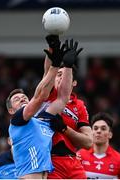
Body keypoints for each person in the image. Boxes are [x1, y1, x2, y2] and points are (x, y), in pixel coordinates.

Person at [7, 40, 77, 179]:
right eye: (16, 99)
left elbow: (63, 98)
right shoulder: (17, 121)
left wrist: (68, 67)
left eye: (24, 97)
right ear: (10, 111)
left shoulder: (43, 119)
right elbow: (40, 97)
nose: (22, 99)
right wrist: (55, 66)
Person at [43, 35, 93, 179]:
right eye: (57, 75)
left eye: (63, 75)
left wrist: (65, 129)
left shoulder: (80, 106)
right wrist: (53, 49)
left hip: (73, 162)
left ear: (74, 82)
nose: (59, 78)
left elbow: (88, 142)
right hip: (51, 160)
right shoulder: (48, 95)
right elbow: (47, 72)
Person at [78, 112, 120, 179]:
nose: (98, 131)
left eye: (103, 128)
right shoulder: (80, 156)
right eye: (95, 128)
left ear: (110, 134)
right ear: (91, 133)